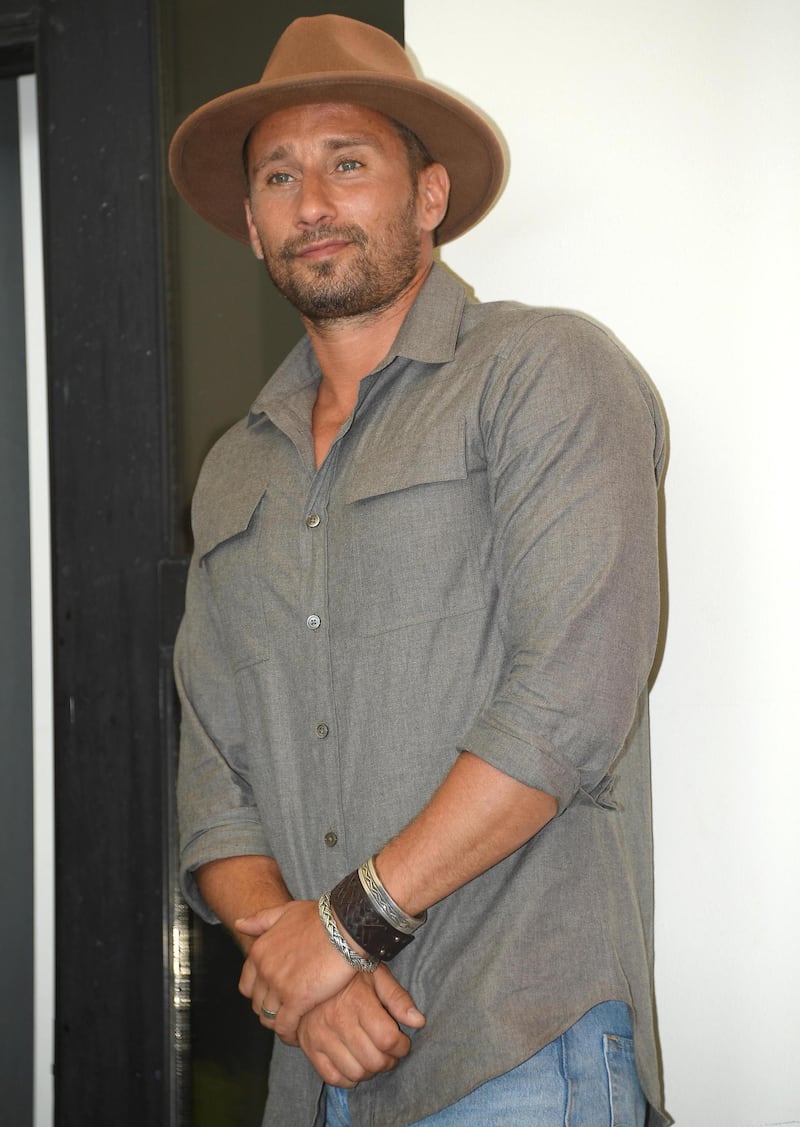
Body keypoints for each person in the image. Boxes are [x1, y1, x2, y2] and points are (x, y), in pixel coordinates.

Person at [169, 14, 669, 1127]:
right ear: (251, 227)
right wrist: (299, 976)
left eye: (347, 162)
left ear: (427, 197)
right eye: (279, 176)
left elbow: (568, 702)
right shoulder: (231, 470)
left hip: (516, 1043)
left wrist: (342, 929)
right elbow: (212, 784)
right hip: (315, 1072)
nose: (312, 202)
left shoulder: (541, 373)